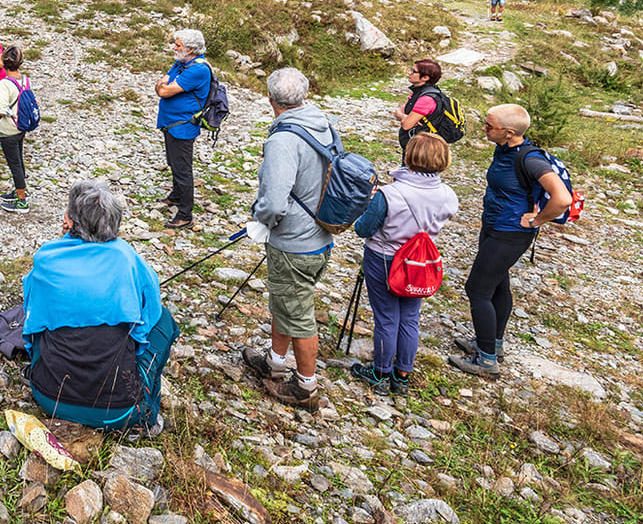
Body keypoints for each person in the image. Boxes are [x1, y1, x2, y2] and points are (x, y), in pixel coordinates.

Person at [23, 179, 175, 434]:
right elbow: (149, 318)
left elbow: (31, 322)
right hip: (120, 410)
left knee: (46, 321)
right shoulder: (126, 257)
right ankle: (147, 415)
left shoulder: (46, 258)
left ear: (70, 221)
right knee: (165, 321)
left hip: (48, 396)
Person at [450, 104, 571, 378]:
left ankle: (486, 361)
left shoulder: (530, 160)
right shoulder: (505, 149)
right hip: (494, 226)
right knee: (497, 283)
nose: (483, 128)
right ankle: (494, 344)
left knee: (477, 289)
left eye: (488, 126)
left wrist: (537, 220)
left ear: (509, 132)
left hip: (510, 233)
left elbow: (562, 199)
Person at [240, 67, 335, 410]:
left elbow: (274, 201)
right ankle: (276, 363)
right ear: (304, 96)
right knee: (287, 302)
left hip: (294, 241)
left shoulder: (283, 139)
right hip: (320, 234)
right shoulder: (323, 124)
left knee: (299, 313)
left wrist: (261, 221)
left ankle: (306, 388)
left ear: (270, 100)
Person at [348, 133, 459, 395]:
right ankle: (403, 376)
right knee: (410, 318)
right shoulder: (447, 194)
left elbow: (363, 229)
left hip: (385, 257)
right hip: (421, 262)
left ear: (409, 156)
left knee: (387, 317)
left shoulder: (389, 193)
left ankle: (380, 373)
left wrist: (370, 204)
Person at [155, 28, 212, 230]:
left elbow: (164, 90)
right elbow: (161, 86)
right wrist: (163, 86)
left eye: (178, 45)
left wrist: (164, 86)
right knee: (173, 161)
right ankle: (176, 195)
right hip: (171, 123)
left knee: (182, 168)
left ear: (190, 49)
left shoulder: (198, 69)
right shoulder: (181, 63)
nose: (174, 48)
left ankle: (185, 214)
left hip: (183, 126)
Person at [0, 45, 31, 212]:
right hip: (21, 126)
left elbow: (2, 109)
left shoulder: (5, 84)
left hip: (8, 129)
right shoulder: (25, 80)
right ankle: (20, 190)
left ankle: (21, 202)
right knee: (19, 160)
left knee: (14, 164)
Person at [393, 58, 446, 151]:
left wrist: (405, 118)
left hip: (422, 150)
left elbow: (406, 125)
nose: (409, 73)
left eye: (413, 71)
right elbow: (398, 111)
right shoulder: (419, 91)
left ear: (425, 77)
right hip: (414, 146)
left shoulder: (427, 99)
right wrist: (404, 116)